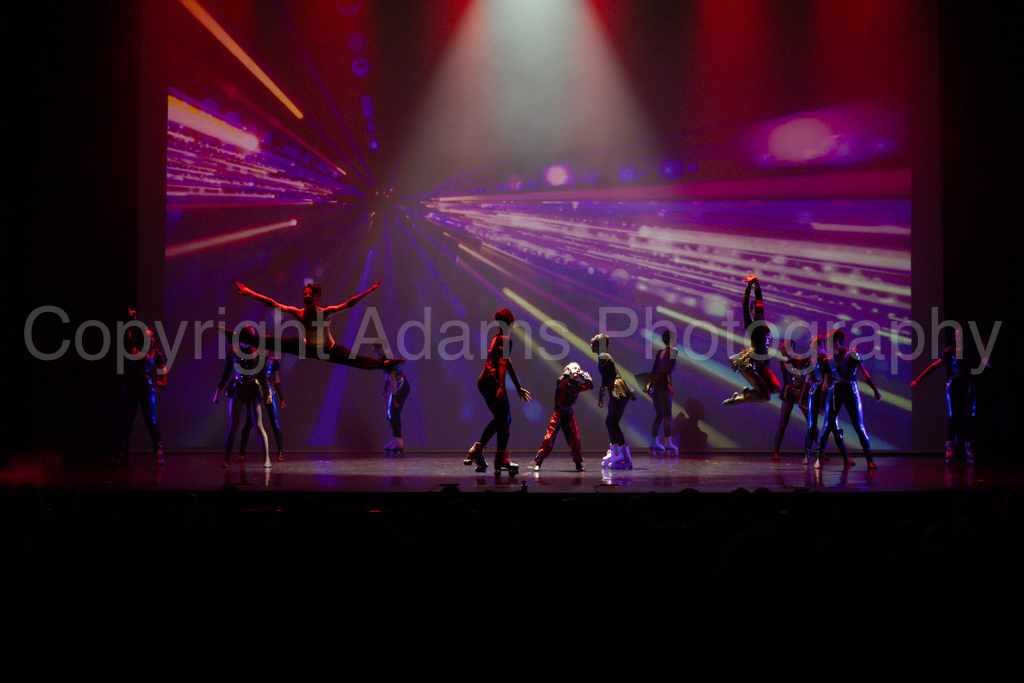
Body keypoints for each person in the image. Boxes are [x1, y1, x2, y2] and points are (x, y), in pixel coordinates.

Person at [230, 279, 403, 372]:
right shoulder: (298, 313)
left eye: (310, 294)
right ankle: (246, 338)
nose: (306, 296)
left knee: (354, 359)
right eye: (305, 294)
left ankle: (384, 364)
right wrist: (251, 292)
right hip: (308, 348)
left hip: (329, 350)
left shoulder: (325, 313)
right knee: (278, 342)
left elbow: (349, 304)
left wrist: (370, 291)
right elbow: (273, 304)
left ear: (317, 298)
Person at [465, 309, 532, 475]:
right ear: (510, 321)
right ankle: (498, 456)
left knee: (501, 418)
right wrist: (501, 387)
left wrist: (518, 388)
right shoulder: (505, 339)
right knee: (504, 418)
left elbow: (507, 364)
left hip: (484, 379)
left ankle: (478, 450)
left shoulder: (498, 338)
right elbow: (502, 364)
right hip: (492, 381)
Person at [911, 328, 987, 464]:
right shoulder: (951, 351)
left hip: (968, 385)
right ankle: (950, 447)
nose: (958, 339)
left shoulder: (972, 351)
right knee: (954, 416)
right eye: (956, 336)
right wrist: (920, 377)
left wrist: (985, 351)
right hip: (954, 386)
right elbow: (935, 365)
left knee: (969, 416)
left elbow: (988, 364)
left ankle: (969, 447)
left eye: (960, 336)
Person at [813, 329, 882, 470]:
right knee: (827, 426)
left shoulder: (852, 353)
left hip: (851, 390)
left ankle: (869, 460)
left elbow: (863, 372)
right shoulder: (828, 359)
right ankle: (818, 459)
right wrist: (821, 402)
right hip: (836, 391)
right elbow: (826, 383)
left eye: (828, 339)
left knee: (859, 426)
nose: (826, 342)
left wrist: (875, 390)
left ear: (836, 340)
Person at [215, 326, 272, 469]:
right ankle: (226, 459)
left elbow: (262, 375)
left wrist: (268, 392)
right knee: (233, 425)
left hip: (253, 387)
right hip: (238, 388)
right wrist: (218, 391)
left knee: (258, 425)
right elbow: (226, 372)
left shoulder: (258, 353)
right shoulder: (233, 351)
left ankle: (267, 458)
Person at [724, 275, 780, 405]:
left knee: (776, 388)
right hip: (749, 363)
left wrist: (757, 283)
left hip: (760, 362)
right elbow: (745, 304)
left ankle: (748, 393)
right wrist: (749, 286)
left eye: (761, 311)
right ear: (751, 312)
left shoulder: (762, 322)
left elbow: (759, 300)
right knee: (766, 396)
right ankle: (739, 398)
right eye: (757, 312)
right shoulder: (751, 324)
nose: (760, 314)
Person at [118, 319, 168, 464]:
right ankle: (122, 449)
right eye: (149, 336)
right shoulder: (132, 348)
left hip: (147, 387)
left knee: (151, 420)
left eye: (152, 337)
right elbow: (127, 333)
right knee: (127, 419)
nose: (152, 339)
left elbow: (162, 368)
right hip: (133, 386)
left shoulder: (154, 353)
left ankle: (158, 449)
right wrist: (132, 320)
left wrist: (163, 381)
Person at [533, 362, 593, 472]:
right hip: (559, 413)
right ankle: (539, 461)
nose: (578, 370)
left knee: (575, 438)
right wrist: (567, 373)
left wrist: (584, 375)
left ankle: (578, 463)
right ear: (567, 370)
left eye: (579, 368)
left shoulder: (577, 385)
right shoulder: (561, 380)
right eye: (575, 368)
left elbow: (589, 386)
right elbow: (561, 384)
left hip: (568, 413)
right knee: (549, 437)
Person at [592, 333, 637, 469]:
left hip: (618, 389)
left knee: (613, 422)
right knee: (609, 421)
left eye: (594, 343)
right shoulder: (604, 356)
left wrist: (601, 394)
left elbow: (607, 378)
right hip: (616, 389)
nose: (591, 346)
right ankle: (615, 452)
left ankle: (625, 455)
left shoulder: (603, 356)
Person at [239, 355, 285, 462]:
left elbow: (276, 380)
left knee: (274, 421)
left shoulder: (272, 361)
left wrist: (281, 396)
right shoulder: (253, 358)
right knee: (249, 421)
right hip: (255, 390)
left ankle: (280, 452)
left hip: (268, 390)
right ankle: (241, 453)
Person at [772, 339, 811, 461]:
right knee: (783, 423)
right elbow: (786, 381)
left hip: (802, 393)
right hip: (789, 394)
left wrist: (803, 395)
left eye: (783, 348)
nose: (781, 351)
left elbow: (807, 377)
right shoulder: (783, 364)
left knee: (811, 423)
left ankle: (822, 451)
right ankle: (776, 452)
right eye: (781, 348)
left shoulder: (803, 360)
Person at [373, 343, 410, 456]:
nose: (376, 353)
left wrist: (394, 396)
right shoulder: (384, 359)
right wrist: (385, 390)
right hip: (398, 384)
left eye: (376, 351)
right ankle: (395, 439)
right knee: (391, 414)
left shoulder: (388, 357)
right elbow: (387, 377)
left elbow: (393, 377)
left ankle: (399, 441)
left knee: (393, 414)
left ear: (381, 348)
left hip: (400, 383)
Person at [645, 330, 678, 456]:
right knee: (667, 414)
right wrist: (669, 384)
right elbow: (669, 370)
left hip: (655, 385)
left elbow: (654, 369)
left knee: (659, 414)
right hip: (663, 385)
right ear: (671, 340)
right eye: (675, 338)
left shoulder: (660, 352)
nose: (677, 341)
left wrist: (649, 386)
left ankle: (654, 441)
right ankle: (668, 442)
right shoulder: (673, 352)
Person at [803, 335, 828, 465]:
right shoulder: (813, 362)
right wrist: (802, 400)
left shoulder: (829, 360)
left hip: (828, 393)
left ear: (821, 346)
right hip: (814, 392)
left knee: (830, 425)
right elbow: (807, 381)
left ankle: (820, 454)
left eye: (814, 348)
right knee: (811, 425)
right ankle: (807, 455)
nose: (812, 351)